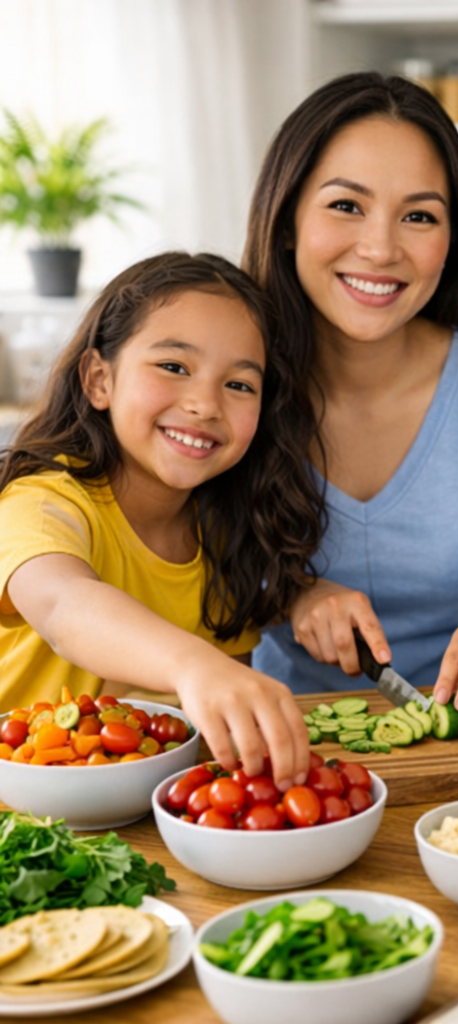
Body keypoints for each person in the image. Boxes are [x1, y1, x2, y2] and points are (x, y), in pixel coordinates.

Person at [243, 72, 458, 718]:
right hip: (284, 751)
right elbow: (188, 570)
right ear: (288, 218)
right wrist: (292, 595)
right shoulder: (235, 382)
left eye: (418, 216)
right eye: (346, 206)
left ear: (451, 241)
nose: (381, 249)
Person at [0, 252, 324, 790]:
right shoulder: (43, 500)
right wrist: (196, 666)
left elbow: (209, 734)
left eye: (240, 385)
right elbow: (61, 603)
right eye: (174, 367)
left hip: (141, 819)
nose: (204, 404)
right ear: (98, 380)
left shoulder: (226, 535)